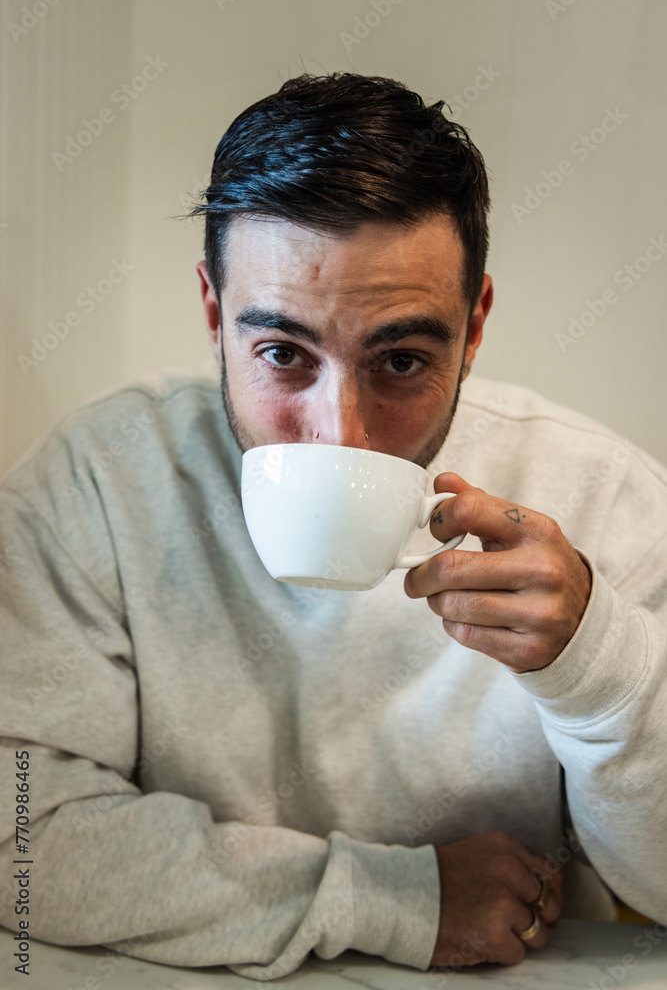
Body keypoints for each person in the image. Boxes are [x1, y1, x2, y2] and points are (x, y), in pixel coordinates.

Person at [1, 73, 666, 982]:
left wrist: (596, 666)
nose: (337, 431)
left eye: (399, 359)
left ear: (472, 329)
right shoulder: (97, 482)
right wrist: (384, 897)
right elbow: (21, 840)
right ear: (212, 314)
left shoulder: (600, 499)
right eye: (281, 353)